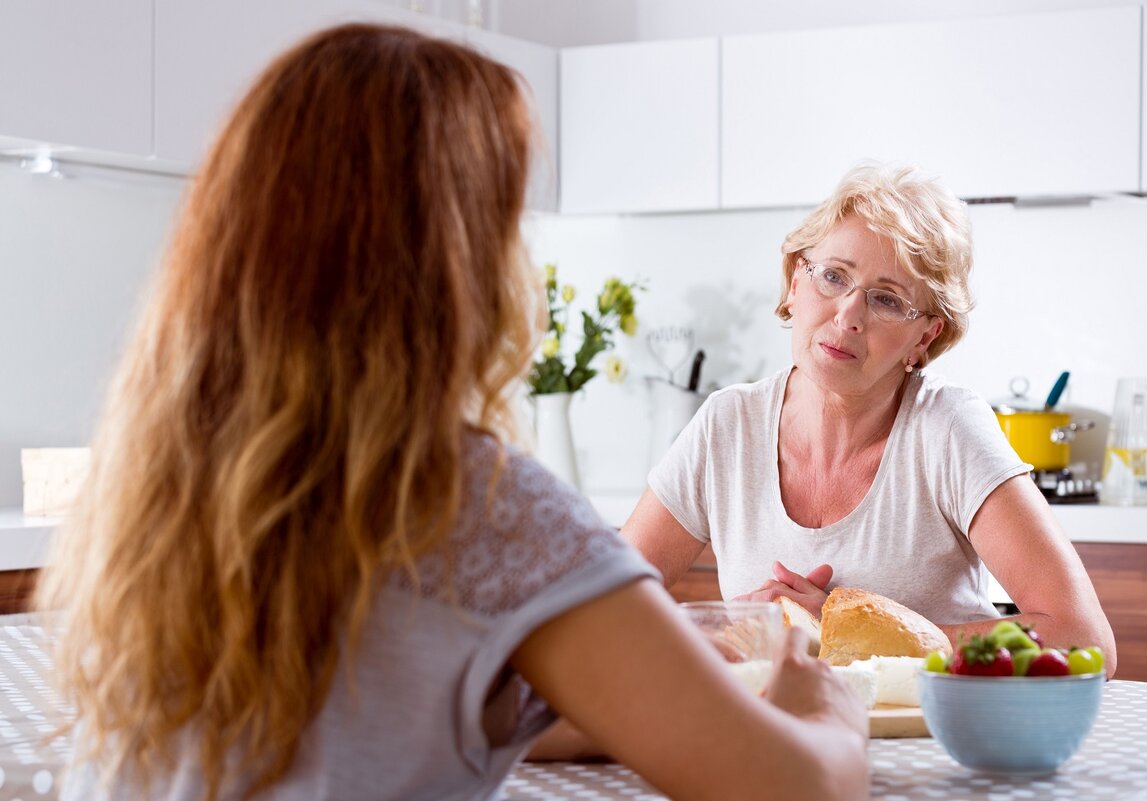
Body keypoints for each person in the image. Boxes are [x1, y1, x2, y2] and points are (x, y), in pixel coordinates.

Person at [36, 23, 869, 801]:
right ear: (449, 267)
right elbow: (796, 785)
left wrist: (662, 684)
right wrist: (824, 705)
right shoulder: (474, 503)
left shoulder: (159, 480)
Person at [623, 163, 1116, 675]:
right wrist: (735, 630)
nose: (848, 315)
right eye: (834, 277)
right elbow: (605, 601)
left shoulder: (947, 429)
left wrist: (849, 630)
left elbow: (1085, 638)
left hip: (934, 742)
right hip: (780, 739)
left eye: (886, 299)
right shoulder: (728, 424)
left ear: (924, 337)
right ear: (796, 283)